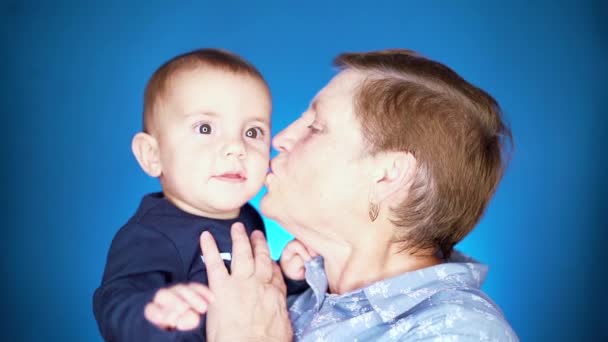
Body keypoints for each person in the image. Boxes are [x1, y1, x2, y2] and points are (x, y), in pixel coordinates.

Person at [153, 48, 519, 341]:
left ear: (388, 174)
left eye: (315, 127)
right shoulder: (281, 294)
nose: (280, 139)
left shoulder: (458, 333)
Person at [93, 48, 273, 341]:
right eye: (205, 128)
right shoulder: (151, 233)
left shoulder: (249, 217)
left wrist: (291, 278)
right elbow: (114, 302)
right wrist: (154, 313)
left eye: (253, 132)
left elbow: (256, 294)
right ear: (153, 155)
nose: (236, 146)